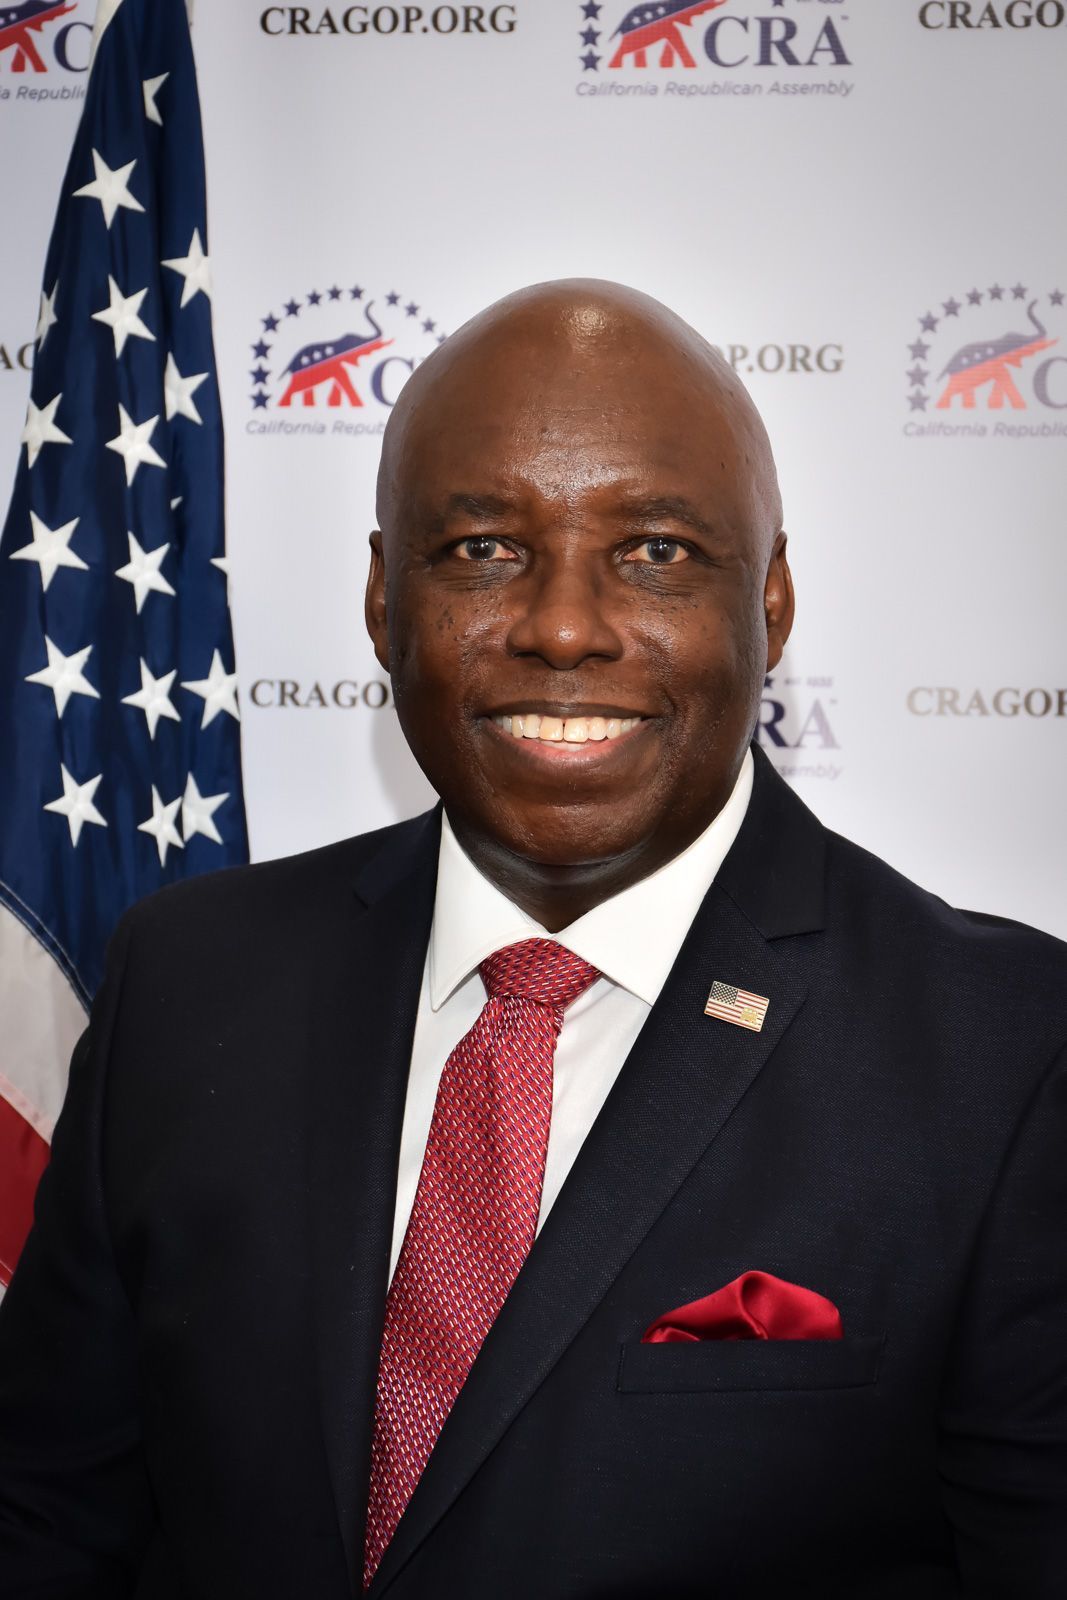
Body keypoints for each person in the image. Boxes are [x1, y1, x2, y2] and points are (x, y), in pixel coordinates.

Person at [0, 279, 1065, 1599]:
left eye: (659, 551)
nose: (563, 625)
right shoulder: (189, 979)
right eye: (484, 549)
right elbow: (51, 1515)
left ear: (773, 603)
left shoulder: (1010, 1054)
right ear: (384, 600)